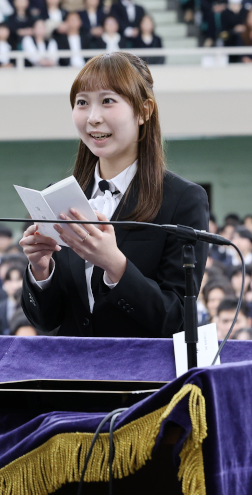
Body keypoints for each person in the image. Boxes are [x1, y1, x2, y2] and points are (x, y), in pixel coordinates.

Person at [19, 52, 209, 338]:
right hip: (72, 366)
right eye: (82, 102)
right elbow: (47, 322)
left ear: (144, 111)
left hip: (142, 367)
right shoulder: (58, 196)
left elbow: (177, 319)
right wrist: (41, 270)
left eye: (108, 101)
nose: (93, 118)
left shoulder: (183, 199)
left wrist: (115, 265)